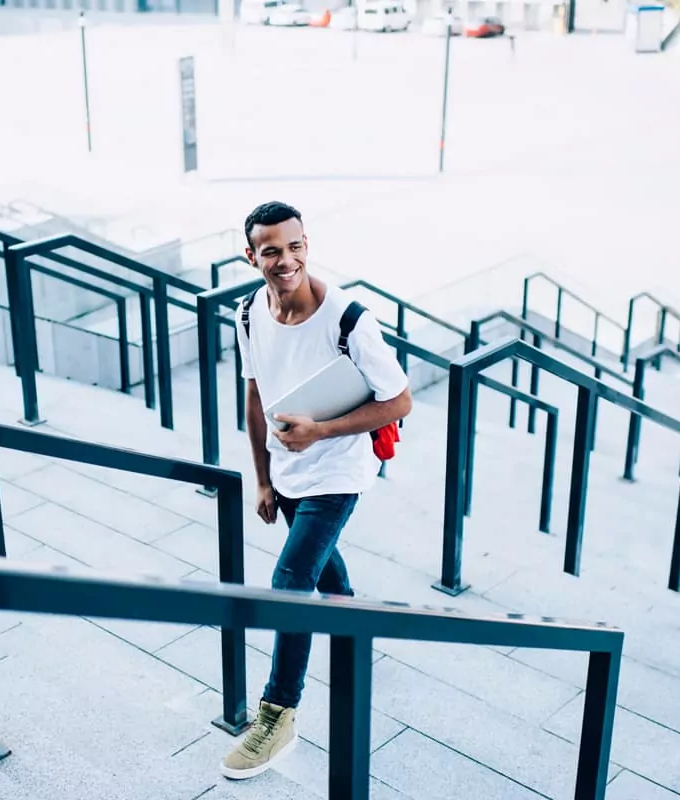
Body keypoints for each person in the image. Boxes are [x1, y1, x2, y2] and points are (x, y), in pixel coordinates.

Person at [220, 201, 412, 780]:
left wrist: (322, 431)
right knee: (327, 576)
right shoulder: (248, 313)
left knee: (291, 580)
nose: (287, 260)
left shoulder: (350, 319)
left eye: (296, 246)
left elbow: (399, 400)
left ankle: (278, 715)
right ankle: (357, 635)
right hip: (287, 469)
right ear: (251, 255)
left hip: (338, 472)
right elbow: (254, 398)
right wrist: (261, 477)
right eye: (272, 250)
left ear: (309, 244)